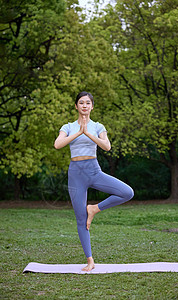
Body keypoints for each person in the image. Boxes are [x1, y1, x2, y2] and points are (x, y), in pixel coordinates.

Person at [54, 91, 134, 271]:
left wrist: (88, 133)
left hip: (94, 171)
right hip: (76, 174)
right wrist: (79, 132)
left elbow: (107, 146)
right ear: (76, 106)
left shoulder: (98, 126)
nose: (84, 105)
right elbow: (58, 144)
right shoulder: (68, 126)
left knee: (127, 192)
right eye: (81, 102)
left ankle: (94, 208)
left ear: (92, 106)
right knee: (81, 219)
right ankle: (90, 261)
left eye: (87, 103)